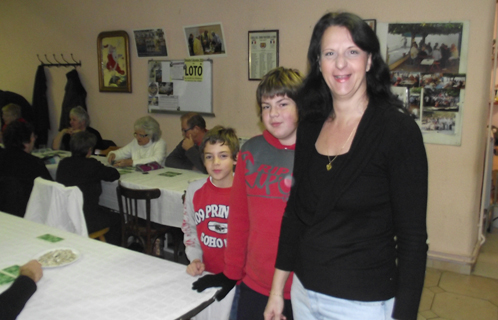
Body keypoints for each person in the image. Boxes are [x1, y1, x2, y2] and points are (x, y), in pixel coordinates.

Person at [263, 12, 428, 320]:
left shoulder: (398, 131)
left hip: (362, 304)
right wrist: (277, 291)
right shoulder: (311, 123)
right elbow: (295, 213)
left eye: (352, 52)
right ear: (319, 62)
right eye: (329, 54)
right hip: (304, 293)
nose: (340, 64)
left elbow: (413, 239)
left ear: (369, 60)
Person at [192, 67, 303, 320]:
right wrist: (231, 273)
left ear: (302, 106)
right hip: (253, 281)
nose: (273, 113)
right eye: (266, 106)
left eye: (283, 103)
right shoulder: (251, 151)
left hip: (301, 287)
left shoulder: (316, 152)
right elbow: (239, 219)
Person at [182, 125, 240, 320]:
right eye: (209, 156)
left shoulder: (246, 193)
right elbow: (190, 230)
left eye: (223, 156)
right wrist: (195, 258)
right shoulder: (194, 190)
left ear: (235, 158)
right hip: (206, 274)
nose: (216, 163)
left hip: (239, 282)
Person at [56, 131, 121, 244]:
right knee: (118, 218)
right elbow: (114, 174)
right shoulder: (91, 165)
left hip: (66, 217)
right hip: (86, 219)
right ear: (89, 150)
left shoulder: (63, 163)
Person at [0, 121, 52, 217]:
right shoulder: (34, 163)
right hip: (28, 212)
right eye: (32, 136)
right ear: (25, 141)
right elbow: (50, 190)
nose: (34, 139)